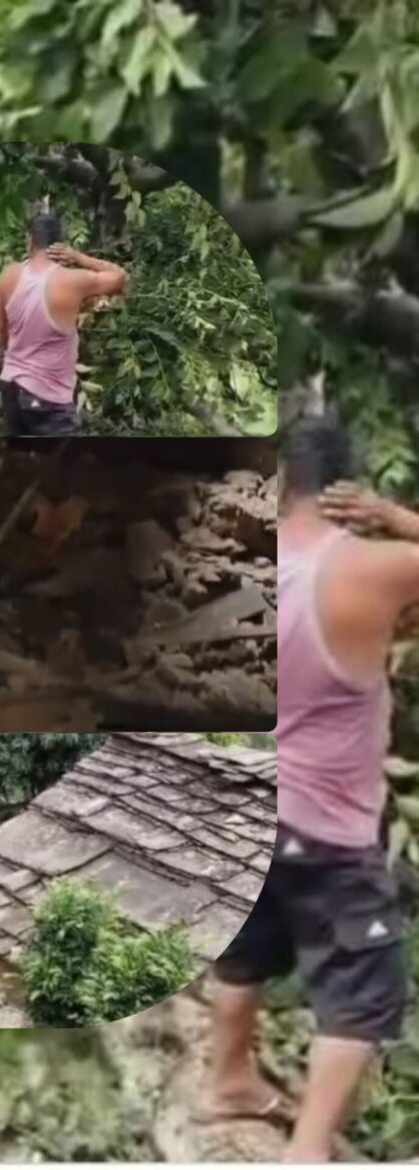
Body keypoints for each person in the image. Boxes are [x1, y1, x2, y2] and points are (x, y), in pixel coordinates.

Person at [199, 416, 410, 1162]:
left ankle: (225, 1080)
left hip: (258, 803)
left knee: (247, 946)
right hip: (330, 828)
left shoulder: (249, 562)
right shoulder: (371, 568)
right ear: (351, 488)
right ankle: (309, 1151)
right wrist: (396, 520)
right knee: (364, 987)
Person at [0, 210, 129, 436]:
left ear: (29, 240)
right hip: (48, 399)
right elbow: (121, 278)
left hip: (11, 388)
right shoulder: (73, 281)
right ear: (61, 244)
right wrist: (79, 258)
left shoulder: (7, 276)